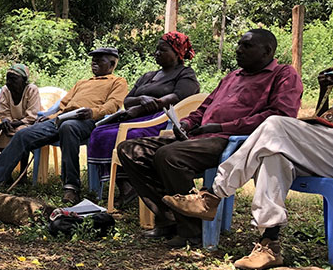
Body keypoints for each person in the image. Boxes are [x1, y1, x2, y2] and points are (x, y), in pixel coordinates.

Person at [165, 31, 333, 270]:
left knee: (274, 123)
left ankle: (213, 194)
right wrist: (325, 92)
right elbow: (329, 121)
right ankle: (269, 244)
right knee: (275, 156)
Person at [117, 28, 302, 248]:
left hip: (236, 141)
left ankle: (192, 231)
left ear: (267, 51)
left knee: (169, 155)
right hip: (201, 136)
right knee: (129, 150)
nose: (238, 50)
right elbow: (203, 108)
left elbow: (280, 116)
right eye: (239, 44)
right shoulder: (232, 77)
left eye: (247, 46)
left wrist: (222, 126)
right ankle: (170, 218)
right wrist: (186, 123)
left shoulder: (283, 74)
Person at [0, 48, 128, 204]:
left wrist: (92, 112)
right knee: (24, 134)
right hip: (63, 118)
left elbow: (113, 105)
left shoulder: (118, 82)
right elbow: (63, 104)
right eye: (93, 60)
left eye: (100, 60)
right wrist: (49, 117)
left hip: (89, 121)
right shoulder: (82, 82)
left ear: (112, 64)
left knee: (68, 127)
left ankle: (72, 187)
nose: (94, 63)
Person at [87, 33, 200, 203]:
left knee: (118, 135)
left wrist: (146, 107)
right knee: (99, 131)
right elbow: (127, 100)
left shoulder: (185, 74)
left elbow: (179, 97)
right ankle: (123, 184)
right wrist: (140, 100)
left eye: (162, 50)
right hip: (135, 117)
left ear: (177, 52)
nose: (157, 53)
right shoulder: (148, 76)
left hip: (161, 121)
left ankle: (130, 184)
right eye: (156, 49)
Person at [0, 63, 43, 153]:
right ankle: (6, 165)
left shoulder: (31, 90)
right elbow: (4, 113)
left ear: (24, 80)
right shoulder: (5, 90)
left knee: (22, 134)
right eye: (7, 79)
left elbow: (32, 117)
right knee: (5, 133)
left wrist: (13, 124)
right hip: (12, 124)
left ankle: (23, 167)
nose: (9, 82)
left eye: (13, 79)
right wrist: (6, 121)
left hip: (30, 124)